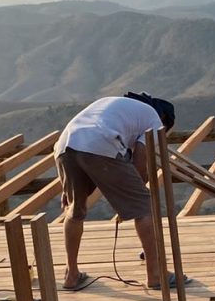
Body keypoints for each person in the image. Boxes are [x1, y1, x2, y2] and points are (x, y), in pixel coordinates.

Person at [54, 91, 183, 290]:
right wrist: (134, 193)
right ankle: (156, 274)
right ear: (165, 122)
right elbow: (140, 162)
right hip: (101, 142)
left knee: (74, 209)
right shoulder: (155, 120)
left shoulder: (116, 105)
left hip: (65, 145)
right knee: (144, 207)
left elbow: (85, 141)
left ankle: (71, 274)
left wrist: (68, 187)